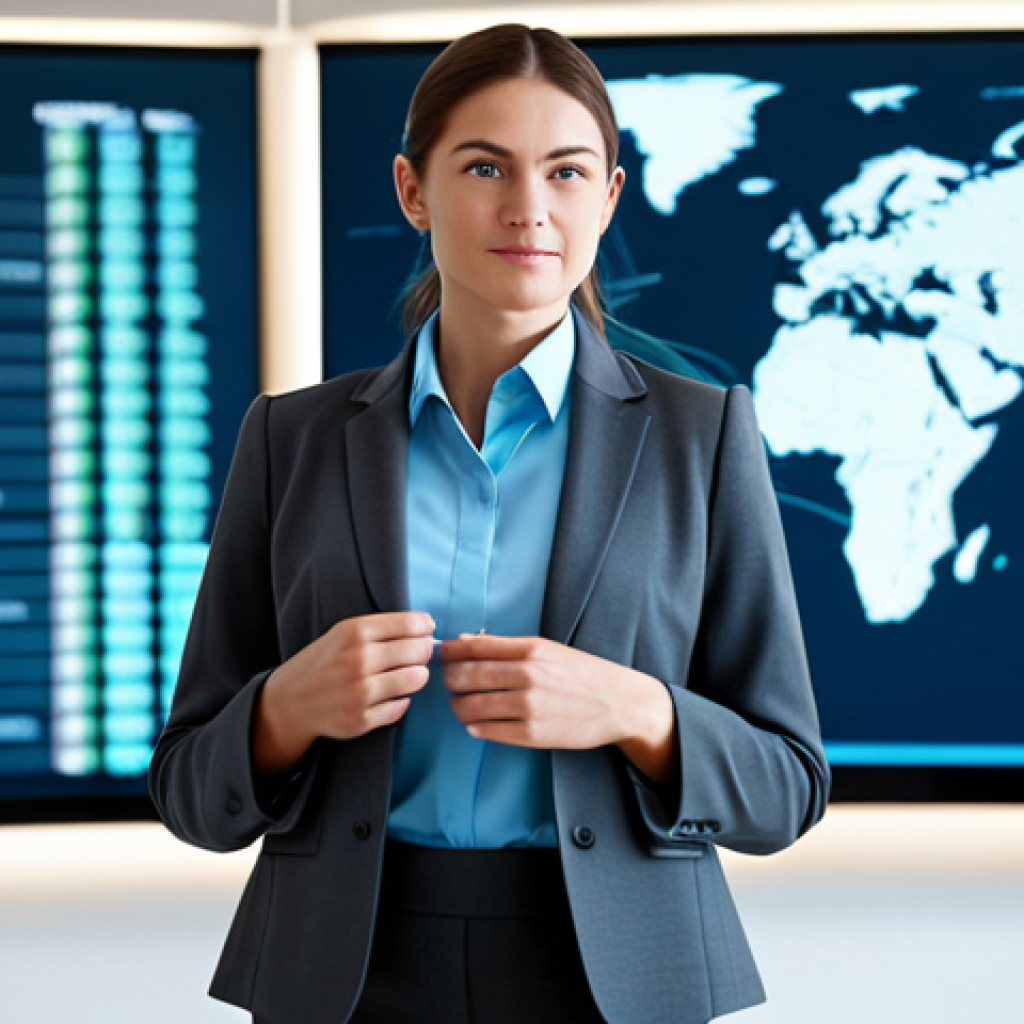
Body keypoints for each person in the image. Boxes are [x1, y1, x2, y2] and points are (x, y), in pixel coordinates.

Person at [148, 23, 830, 1024]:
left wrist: (635, 711)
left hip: (619, 976)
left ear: (608, 197)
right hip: (343, 971)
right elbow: (185, 790)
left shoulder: (703, 436)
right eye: (484, 167)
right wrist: (284, 708)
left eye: (566, 172)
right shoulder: (290, 439)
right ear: (411, 191)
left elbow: (788, 787)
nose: (528, 207)